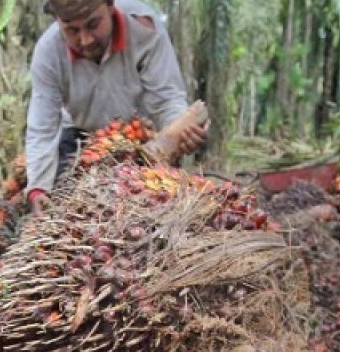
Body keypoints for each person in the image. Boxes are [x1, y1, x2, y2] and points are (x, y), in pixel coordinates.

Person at [24, 0, 207, 213]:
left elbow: (167, 98)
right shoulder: (48, 52)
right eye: (72, 30)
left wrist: (179, 136)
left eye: (93, 25)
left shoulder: (144, 30)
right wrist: (38, 187)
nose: (85, 40)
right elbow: (42, 128)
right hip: (82, 142)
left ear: (110, 7)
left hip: (140, 140)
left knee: (154, 206)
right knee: (70, 204)